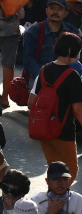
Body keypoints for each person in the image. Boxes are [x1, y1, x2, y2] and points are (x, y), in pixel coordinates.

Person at [29, 31, 82, 179]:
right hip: (63, 130)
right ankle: (56, 200)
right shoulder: (73, 76)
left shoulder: (44, 69)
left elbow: (33, 101)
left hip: (43, 128)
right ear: (71, 51)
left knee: (55, 171)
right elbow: (77, 110)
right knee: (70, 170)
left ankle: (52, 200)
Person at [23, 0, 80, 84]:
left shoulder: (72, 32)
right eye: (52, 8)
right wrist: (42, 78)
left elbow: (79, 57)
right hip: (40, 78)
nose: (55, 12)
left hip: (65, 79)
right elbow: (28, 59)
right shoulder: (34, 31)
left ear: (66, 13)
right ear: (47, 11)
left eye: (60, 9)